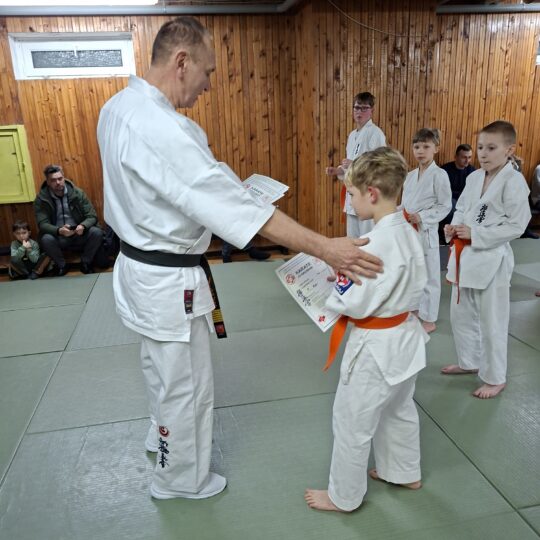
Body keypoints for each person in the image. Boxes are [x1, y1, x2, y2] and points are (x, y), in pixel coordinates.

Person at [97, 16, 383, 501]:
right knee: (185, 385)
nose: (209, 85)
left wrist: (230, 189)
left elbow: (182, 184)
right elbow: (240, 212)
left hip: (138, 268)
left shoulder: (118, 106)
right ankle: (179, 480)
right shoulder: (162, 128)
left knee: (159, 368)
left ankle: (159, 437)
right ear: (181, 62)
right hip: (167, 282)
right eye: (207, 71)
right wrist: (325, 247)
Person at [304, 147, 428, 513]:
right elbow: (392, 283)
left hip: (375, 348)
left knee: (351, 421)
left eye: (352, 193)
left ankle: (343, 496)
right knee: (399, 409)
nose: (350, 200)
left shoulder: (374, 243)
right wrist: (345, 275)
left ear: (371, 193)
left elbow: (355, 304)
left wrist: (334, 286)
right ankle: (405, 472)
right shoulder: (407, 229)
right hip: (405, 337)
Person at [442, 120, 531, 399]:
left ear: (509, 150)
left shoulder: (514, 182)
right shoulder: (474, 177)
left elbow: (517, 225)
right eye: (480, 147)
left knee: (492, 321)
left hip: (492, 259)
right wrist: (454, 227)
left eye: (491, 148)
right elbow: (462, 209)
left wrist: (476, 234)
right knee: (460, 315)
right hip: (465, 257)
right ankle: (469, 361)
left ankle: (495, 377)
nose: (483, 153)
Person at [399, 128, 452, 334]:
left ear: (436, 149)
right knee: (412, 272)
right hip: (409, 231)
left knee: (429, 275)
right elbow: (405, 205)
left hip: (426, 231)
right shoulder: (410, 176)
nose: (420, 151)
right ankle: (414, 307)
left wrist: (422, 217)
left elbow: (445, 205)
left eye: (426, 146)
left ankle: (429, 318)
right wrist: (393, 212)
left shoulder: (440, 175)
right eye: (417, 147)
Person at [326, 92, 386, 238]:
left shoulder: (375, 133)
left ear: (372, 110)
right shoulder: (352, 135)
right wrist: (338, 171)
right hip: (352, 194)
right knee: (352, 240)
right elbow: (350, 167)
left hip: (367, 194)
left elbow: (382, 164)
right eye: (357, 108)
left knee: (368, 240)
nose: (359, 111)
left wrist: (356, 163)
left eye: (364, 108)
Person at [34, 165, 104, 275]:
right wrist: (59, 231)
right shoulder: (41, 199)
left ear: (64, 177)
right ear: (47, 182)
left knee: (97, 232)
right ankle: (62, 265)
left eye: (60, 178)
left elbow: (92, 216)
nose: (58, 182)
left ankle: (86, 262)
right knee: (46, 239)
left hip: (79, 232)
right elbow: (42, 224)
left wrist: (83, 226)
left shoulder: (78, 193)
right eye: (53, 180)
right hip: (59, 235)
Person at [439, 144, 475, 241]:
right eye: (464, 157)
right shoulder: (445, 170)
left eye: (469, 157)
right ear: (456, 157)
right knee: (453, 205)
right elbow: (442, 193)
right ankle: (449, 236)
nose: (467, 160)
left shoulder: (473, 172)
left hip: (466, 202)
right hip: (449, 200)